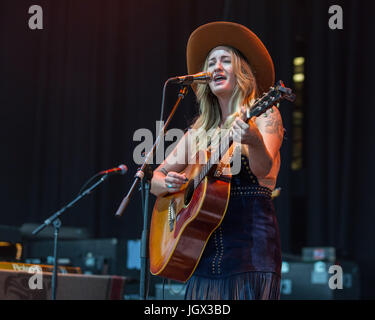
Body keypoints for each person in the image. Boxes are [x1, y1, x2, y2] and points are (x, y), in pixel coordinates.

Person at [150, 21, 284, 300]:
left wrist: (254, 140)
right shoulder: (199, 130)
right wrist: (168, 182)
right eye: (211, 62)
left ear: (243, 71)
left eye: (226, 60)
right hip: (200, 250)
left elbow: (264, 170)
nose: (216, 67)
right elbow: (155, 179)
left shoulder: (264, 115)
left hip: (249, 251)